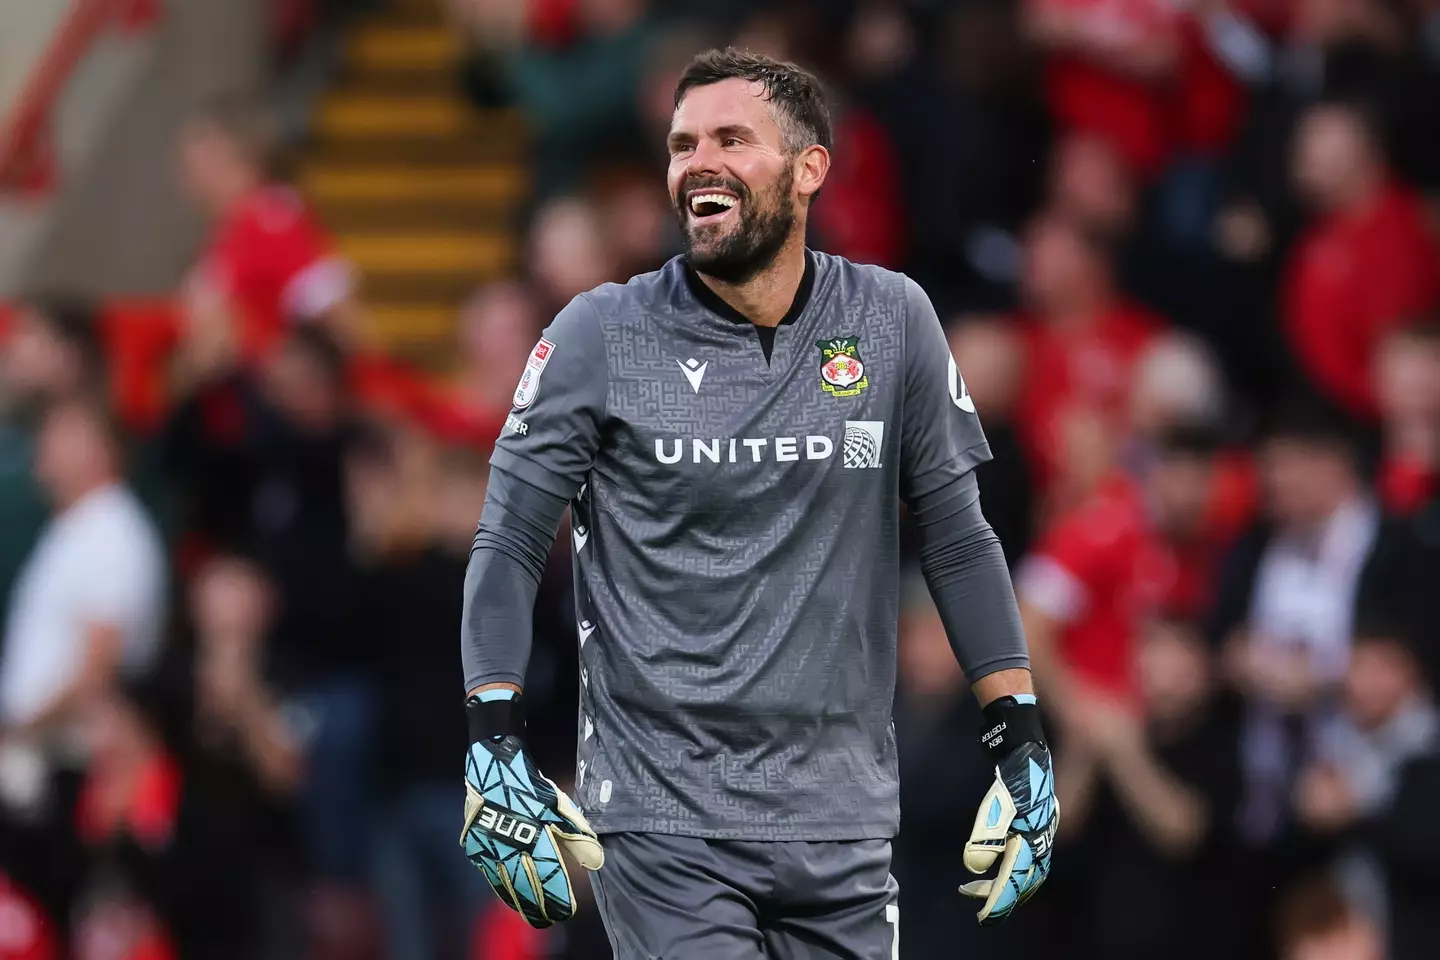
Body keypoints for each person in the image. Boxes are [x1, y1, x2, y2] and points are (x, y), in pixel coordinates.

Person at [458, 48, 1057, 957]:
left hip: (844, 819)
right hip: (666, 821)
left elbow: (961, 541)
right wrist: (494, 741)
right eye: (681, 143)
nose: (698, 161)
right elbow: (506, 541)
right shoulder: (601, 334)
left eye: (732, 139)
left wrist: (1020, 736)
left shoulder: (893, 320)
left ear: (810, 167)